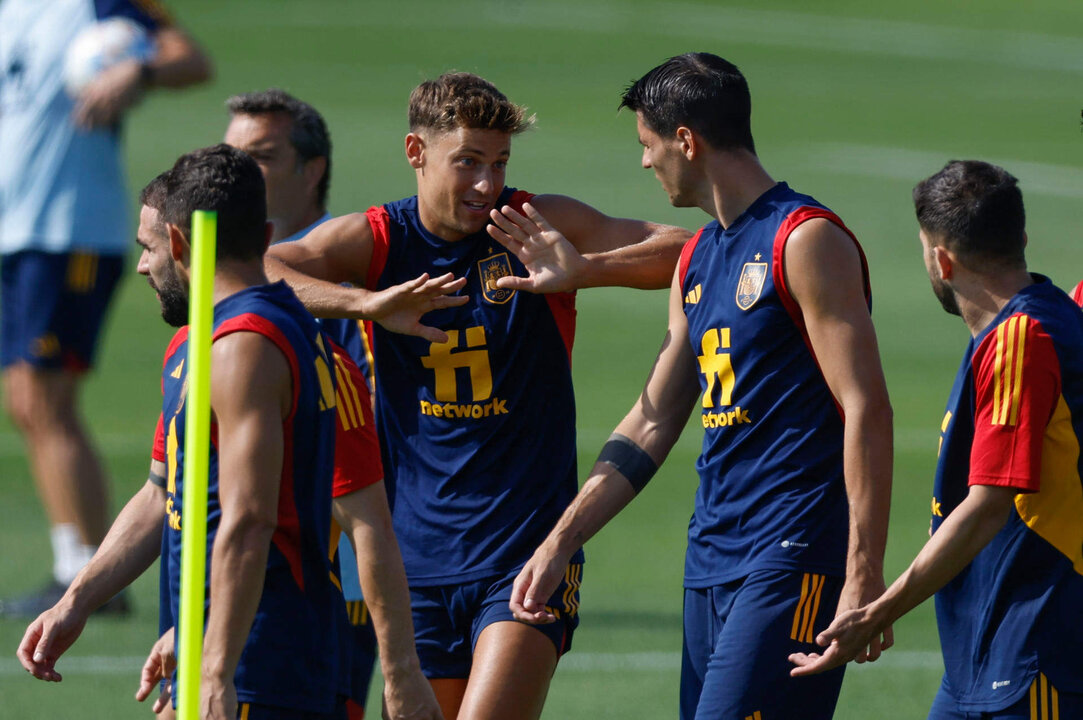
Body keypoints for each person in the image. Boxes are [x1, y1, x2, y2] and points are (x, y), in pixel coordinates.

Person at [264, 71, 689, 720]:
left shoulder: (530, 225)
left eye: (498, 163)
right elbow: (264, 271)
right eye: (466, 162)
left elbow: (692, 247)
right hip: (414, 560)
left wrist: (583, 271)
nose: (486, 184)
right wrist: (367, 303)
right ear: (416, 153)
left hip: (525, 548)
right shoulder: (379, 241)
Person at [506, 53, 894, 720]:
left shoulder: (804, 240)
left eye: (647, 146)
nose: (644, 164)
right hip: (710, 557)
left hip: (791, 550)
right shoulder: (698, 255)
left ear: (685, 140)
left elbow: (866, 408)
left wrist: (862, 572)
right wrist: (560, 540)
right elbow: (650, 422)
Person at [17, 145, 439, 720]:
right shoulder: (204, 344)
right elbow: (161, 493)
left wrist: (216, 669)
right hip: (222, 653)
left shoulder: (246, 350)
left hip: (260, 669)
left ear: (184, 244)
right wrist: (77, 602)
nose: (142, 266)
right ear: (265, 237)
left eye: (149, 248)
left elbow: (251, 521)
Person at [789, 160, 1083, 718]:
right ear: (1021, 237)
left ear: (940, 260)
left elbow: (987, 505)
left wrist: (878, 612)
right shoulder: (1025, 325)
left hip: (1036, 652)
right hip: (984, 655)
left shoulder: (1023, 338)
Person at [0, 0, 212, 617]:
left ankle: (87, 568)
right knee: (26, 401)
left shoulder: (95, 4)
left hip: (67, 229)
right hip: (16, 233)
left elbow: (190, 58)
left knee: (44, 397)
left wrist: (136, 72)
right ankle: (80, 561)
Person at [222, 87, 377, 719]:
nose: (238, 174)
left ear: (312, 170)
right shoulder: (226, 281)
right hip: (247, 552)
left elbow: (372, 438)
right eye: (230, 157)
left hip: (324, 568)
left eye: (260, 157)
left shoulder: (340, 287)